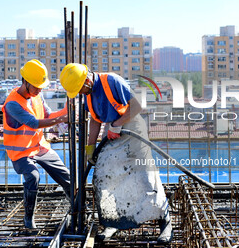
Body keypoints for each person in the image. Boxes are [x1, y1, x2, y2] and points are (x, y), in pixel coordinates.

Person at [59, 63, 173, 243]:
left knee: (145, 176)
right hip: (111, 132)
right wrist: (90, 148)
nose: (80, 93)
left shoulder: (111, 81)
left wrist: (118, 124)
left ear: (87, 80)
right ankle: (113, 222)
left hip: (131, 127)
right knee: (107, 177)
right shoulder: (88, 95)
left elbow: (137, 107)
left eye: (80, 89)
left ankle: (165, 222)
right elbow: (95, 122)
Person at [2, 59, 71, 229]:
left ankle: (77, 208)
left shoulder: (37, 96)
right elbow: (33, 123)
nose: (40, 89)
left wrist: (68, 108)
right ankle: (28, 218)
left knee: (67, 177)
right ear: (25, 82)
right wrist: (61, 119)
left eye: (41, 86)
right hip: (20, 152)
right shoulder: (12, 104)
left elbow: (48, 115)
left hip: (39, 147)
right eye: (36, 86)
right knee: (33, 176)